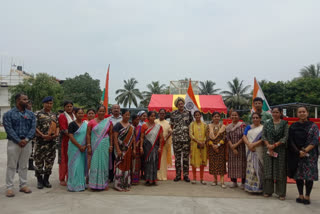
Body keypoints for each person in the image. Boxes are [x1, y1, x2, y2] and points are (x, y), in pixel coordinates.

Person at [3, 93, 36, 197]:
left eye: (27, 99)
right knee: (11, 165)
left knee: (24, 165)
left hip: (27, 143)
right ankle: (9, 187)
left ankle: (23, 185)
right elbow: (9, 129)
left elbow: (33, 128)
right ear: (18, 100)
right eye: (24, 99)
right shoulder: (8, 114)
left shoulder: (31, 114)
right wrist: (18, 140)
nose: (27, 101)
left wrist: (26, 140)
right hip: (14, 143)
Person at [288, 106, 319, 205]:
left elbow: (315, 140)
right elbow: (290, 140)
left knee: (309, 176)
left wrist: (304, 151)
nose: (302, 113)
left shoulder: (313, 126)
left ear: (307, 113)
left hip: (310, 155)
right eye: (300, 112)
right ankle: (300, 194)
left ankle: (307, 196)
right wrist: (298, 152)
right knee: (299, 176)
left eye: (303, 111)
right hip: (297, 154)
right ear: (297, 114)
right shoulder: (293, 126)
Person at [262, 107, 288, 200]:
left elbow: (285, 136)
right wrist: (268, 145)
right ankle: (268, 191)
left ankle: (281, 193)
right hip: (268, 149)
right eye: (273, 112)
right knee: (268, 170)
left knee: (280, 170)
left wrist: (275, 144)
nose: (275, 114)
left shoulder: (284, 123)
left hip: (280, 149)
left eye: (277, 112)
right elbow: (263, 135)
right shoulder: (267, 123)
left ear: (281, 113)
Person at [34, 96, 59, 189]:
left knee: (50, 161)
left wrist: (57, 133)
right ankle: (39, 180)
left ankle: (46, 179)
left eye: (51, 103)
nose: (49, 105)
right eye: (47, 103)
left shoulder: (54, 114)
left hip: (51, 143)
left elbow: (57, 125)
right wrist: (42, 135)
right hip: (40, 142)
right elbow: (34, 127)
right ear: (43, 103)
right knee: (39, 162)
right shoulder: (37, 113)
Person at [86, 105, 113, 190]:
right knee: (94, 163)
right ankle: (94, 184)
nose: (101, 113)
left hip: (105, 145)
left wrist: (111, 145)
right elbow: (88, 134)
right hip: (95, 145)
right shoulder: (91, 122)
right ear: (97, 112)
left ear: (105, 112)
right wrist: (89, 146)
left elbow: (111, 134)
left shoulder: (109, 122)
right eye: (100, 111)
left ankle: (103, 184)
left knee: (104, 164)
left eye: (103, 111)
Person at [170, 97, 193, 182]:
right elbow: (171, 126)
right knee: (177, 159)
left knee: (186, 158)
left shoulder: (188, 113)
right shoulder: (173, 114)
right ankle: (178, 175)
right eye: (179, 104)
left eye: (182, 103)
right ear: (177, 105)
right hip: (176, 139)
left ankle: (186, 175)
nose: (181, 105)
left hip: (186, 139)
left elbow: (191, 125)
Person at [113, 109, 136, 191]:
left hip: (128, 150)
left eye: (128, 115)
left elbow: (133, 139)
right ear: (122, 115)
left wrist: (134, 149)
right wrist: (118, 150)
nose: (127, 116)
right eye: (126, 115)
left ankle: (126, 184)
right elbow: (115, 138)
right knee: (120, 166)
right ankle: (118, 184)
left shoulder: (131, 127)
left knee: (127, 166)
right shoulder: (117, 125)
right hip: (120, 150)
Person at [140, 111, 164, 185]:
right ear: (148, 117)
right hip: (146, 146)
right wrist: (141, 147)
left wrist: (160, 147)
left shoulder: (158, 126)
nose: (153, 117)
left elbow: (160, 138)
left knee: (154, 162)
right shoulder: (144, 126)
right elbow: (142, 137)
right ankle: (147, 179)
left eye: (154, 116)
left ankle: (153, 179)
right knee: (147, 162)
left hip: (155, 146)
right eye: (151, 116)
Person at [243, 112, 264, 193]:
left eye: (257, 118)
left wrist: (253, 145)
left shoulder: (263, 128)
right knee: (250, 169)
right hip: (249, 150)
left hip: (258, 150)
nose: (255, 119)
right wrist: (249, 144)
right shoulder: (248, 127)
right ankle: (250, 187)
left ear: (260, 119)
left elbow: (263, 139)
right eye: (254, 118)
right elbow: (244, 136)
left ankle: (259, 188)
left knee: (258, 169)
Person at [67, 108, 87, 192]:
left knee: (81, 166)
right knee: (74, 166)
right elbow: (71, 136)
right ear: (75, 114)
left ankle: (81, 184)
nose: (81, 115)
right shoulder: (72, 124)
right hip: (74, 148)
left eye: (82, 113)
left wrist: (85, 146)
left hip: (83, 148)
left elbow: (88, 136)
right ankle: (73, 185)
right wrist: (79, 146)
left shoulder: (85, 124)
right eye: (79, 113)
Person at [226, 111, 246, 189]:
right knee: (232, 165)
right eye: (232, 115)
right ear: (230, 116)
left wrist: (236, 145)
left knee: (242, 165)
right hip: (232, 149)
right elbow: (227, 138)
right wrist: (232, 147)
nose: (234, 116)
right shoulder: (228, 127)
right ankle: (234, 182)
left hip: (241, 148)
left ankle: (243, 182)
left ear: (238, 116)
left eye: (236, 115)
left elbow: (244, 136)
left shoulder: (243, 125)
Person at [207, 112, 227, 188]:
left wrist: (218, 145)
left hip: (221, 148)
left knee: (221, 164)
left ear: (220, 118)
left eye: (218, 116)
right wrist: (213, 145)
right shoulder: (209, 126)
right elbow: (207, 137)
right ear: (212, 118)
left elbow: (224, 137)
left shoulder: (223, 126)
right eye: (215, 116)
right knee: (213, 164)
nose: (216, 118)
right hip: (212, 148)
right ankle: (215, 180)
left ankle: (222, 182)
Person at [58, 101, 75, 186]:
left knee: (71, 159)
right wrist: (74, 136)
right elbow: (64, 129)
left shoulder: (74, 115)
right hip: (65, 141)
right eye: (67, 106)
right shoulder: (62, 116)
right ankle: (62, 178)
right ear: (64, 107)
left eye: (70, 106)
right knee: (64, 160)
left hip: (74, 141)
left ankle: (70, 177)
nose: (69, 108)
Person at [189, 110, 207, 184]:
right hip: (195, 145)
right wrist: (197, 141)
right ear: (194, 116)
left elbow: (206, 134)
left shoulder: (204, 125)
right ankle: (194, 178)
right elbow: (190, 134)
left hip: (203, 145)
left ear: (201, 116)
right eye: (196, 115)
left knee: (202, 162)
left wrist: (204, 141)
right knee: (194, 161)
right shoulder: (192, 124)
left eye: (198, 115)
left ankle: (202, 179)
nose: (197, 116)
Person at [155, 109, 172, 181]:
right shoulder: (155, 121)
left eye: (163, 113)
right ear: (158, 114)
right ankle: (156, 175)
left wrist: (165, 139)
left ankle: (163, 176)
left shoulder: (167, 123)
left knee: (163, 160)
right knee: (156, 159)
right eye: (160, 113)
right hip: (156, 144)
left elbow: (170, 132)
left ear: (165, 114)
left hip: (164, 144)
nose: (162, 114)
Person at [132, 110, 147, 184]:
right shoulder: (130, 127)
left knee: (138, 163)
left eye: (138, 119)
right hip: (130, 147)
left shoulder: (141, 127)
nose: (138, 121)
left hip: (138, 147)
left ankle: (136, 179)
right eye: (136, 119)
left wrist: (138, 144)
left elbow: (142, 137)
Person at [109, 104, 122, 182]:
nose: (116, 109)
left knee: (119, 160)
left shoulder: (123, 119)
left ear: (120, 110)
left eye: (117, 108)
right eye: (114, 108)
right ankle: (110, 177)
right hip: (110, 143)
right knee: (110, 160)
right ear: (111, 110)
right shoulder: (108, 119)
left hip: (120, 144)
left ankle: (118, 176)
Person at [85, 108, 96, 184]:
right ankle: (86, 177)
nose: (91, 115)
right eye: (89, 113)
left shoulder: (97, 123)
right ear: (87, 115)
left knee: (93, 162)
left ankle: (93, 177)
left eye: (92, 113)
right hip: (85, 145)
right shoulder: (84, 123)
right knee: (86, 161)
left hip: (95, 144)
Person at [26, 100, 36, 170]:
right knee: (20, 151)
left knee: (31, 151)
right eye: (28, 104)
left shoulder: (33, 114)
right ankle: (17, 166)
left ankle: (30, 165)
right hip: (23, 136)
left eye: (30, 104)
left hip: (32, 136)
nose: (29, 106)